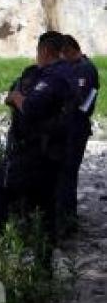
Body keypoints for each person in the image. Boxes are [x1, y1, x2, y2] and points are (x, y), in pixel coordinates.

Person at [0, 31, 76, 242]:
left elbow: (31, 107)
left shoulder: (55, 76)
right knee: (44, 209)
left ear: (44, 51)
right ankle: (43, 267)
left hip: (35, 152)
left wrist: (17, 97)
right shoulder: (64, 73)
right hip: (51, 152)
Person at [58, 34, 100, 234]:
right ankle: (62, 217)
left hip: (76, 129)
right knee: (62, 173)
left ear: (69, 50)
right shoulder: (70, 67)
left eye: (63, 53)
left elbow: (83, 104)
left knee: (68, 173)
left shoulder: (86, 69)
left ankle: (68, 221)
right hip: (65, 128)